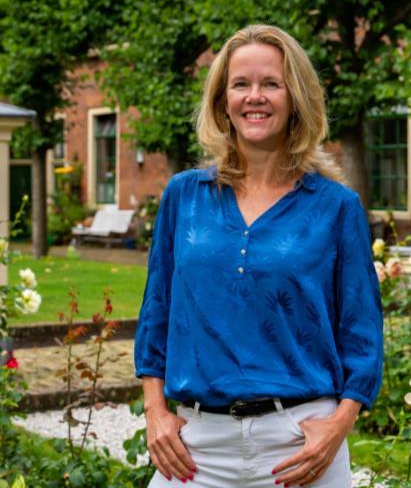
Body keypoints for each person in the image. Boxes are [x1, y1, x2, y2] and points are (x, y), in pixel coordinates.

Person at [134, 24, 383, 488]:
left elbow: (362, 332)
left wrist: (339, 424)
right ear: (222, 100)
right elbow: (157, 312)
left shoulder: (336, 208)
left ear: (296, 99)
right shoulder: (184, 197)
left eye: (271, 83)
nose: (255, 96)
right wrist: (155, 411)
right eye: (240, 84)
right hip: (195, 450)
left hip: (300, 448)